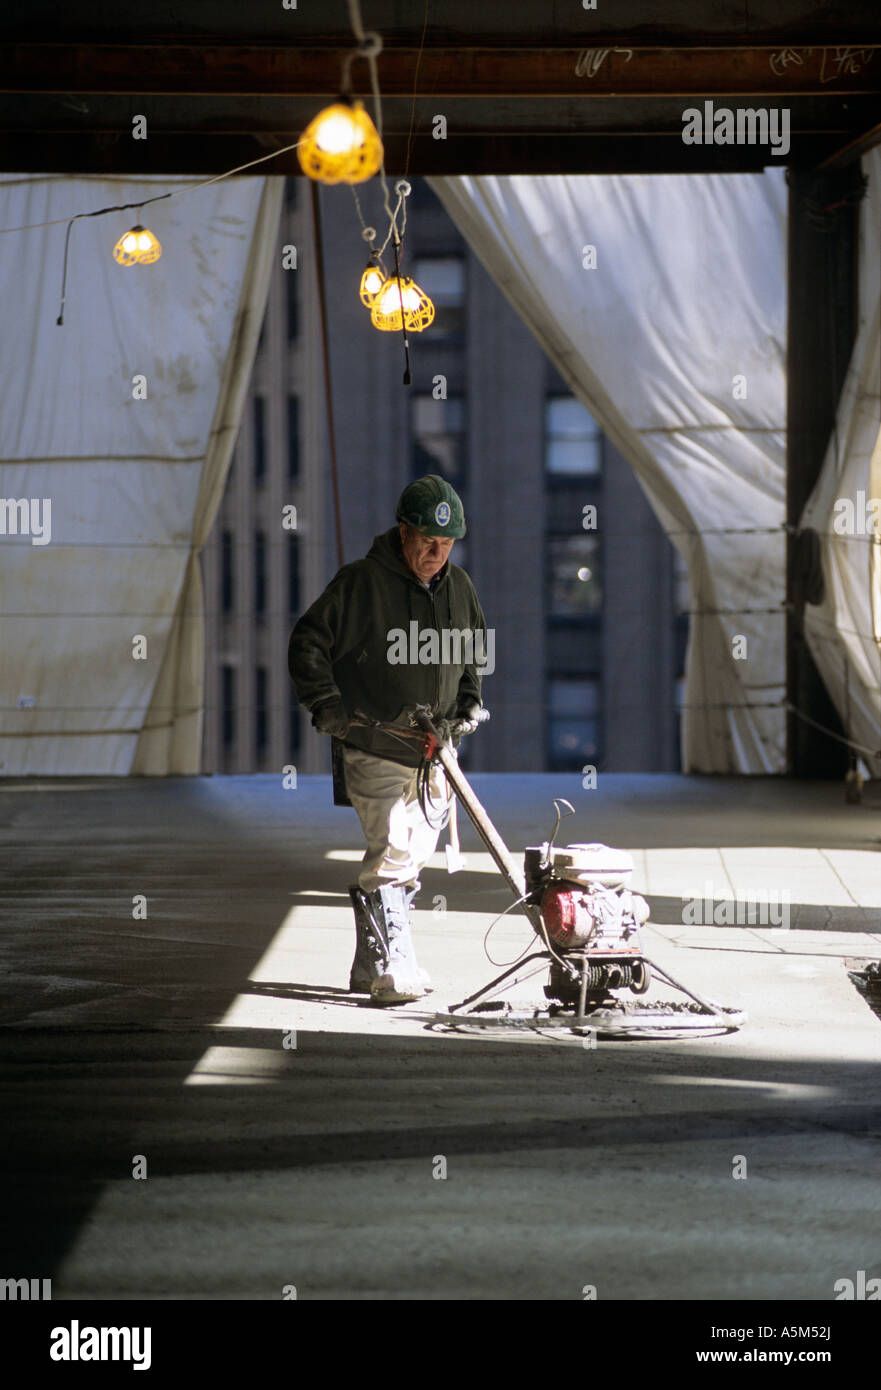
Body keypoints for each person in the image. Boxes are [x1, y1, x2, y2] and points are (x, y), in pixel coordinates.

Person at [288, 474, 488, 1005]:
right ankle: (394, 965)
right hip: (373, 742)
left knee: (412, 852)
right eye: (426, 540)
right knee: (395, 847)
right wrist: (326, 704)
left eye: (445, 544)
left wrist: (469, 701)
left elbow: (473, 655)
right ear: (403, 532)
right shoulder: (360, 585)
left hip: (435, 755)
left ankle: (368, 959)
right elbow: (309, 642)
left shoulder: (460, 588)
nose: (435, 553)